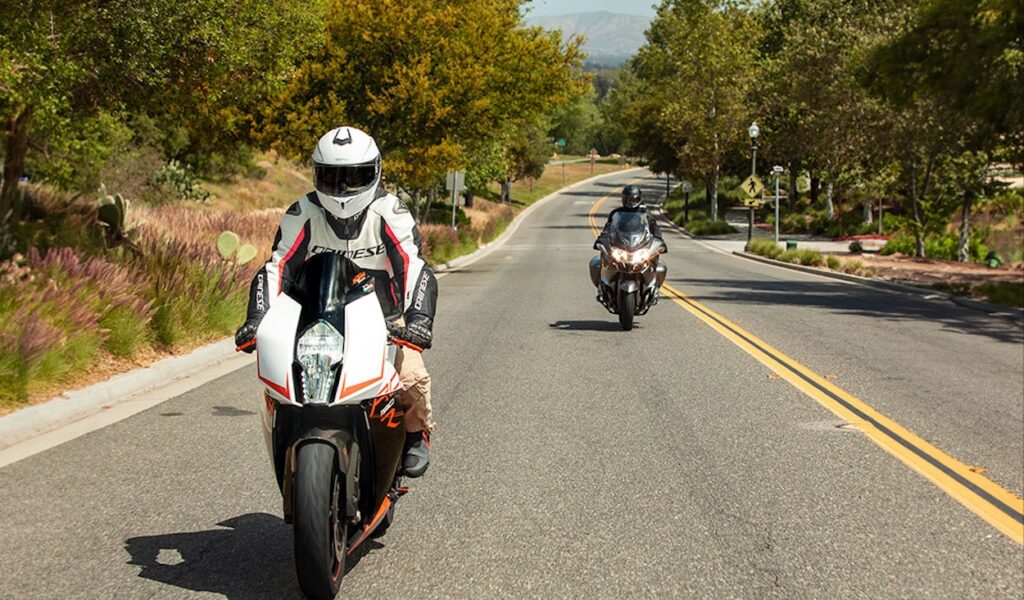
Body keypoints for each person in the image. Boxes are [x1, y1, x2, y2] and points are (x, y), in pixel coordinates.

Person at [234, 126, 438, 477]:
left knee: (410, 375)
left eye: (354, 177)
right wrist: (257, 318)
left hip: (386, 320)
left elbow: (413, 266)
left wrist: (418, 319)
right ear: (316, 173)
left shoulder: (391, 212)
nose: (343, 188)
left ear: (375, 172)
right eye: (332, 176)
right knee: (285, 384)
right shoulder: (301, 213)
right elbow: (277, 267)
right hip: (316, 315)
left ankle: (416, 433)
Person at [595, 184, 664, 247]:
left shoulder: (645, 212)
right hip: (620, 243)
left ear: (639, 199)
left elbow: (654, 226)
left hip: (640, 243)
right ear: (623, 199)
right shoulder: (616, 213)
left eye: (633, 200)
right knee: (600, 259)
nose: (630, 202)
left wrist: (658, 237)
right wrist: (603, 236)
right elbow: (608, 227)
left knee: (656, 259)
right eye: (627, 199)